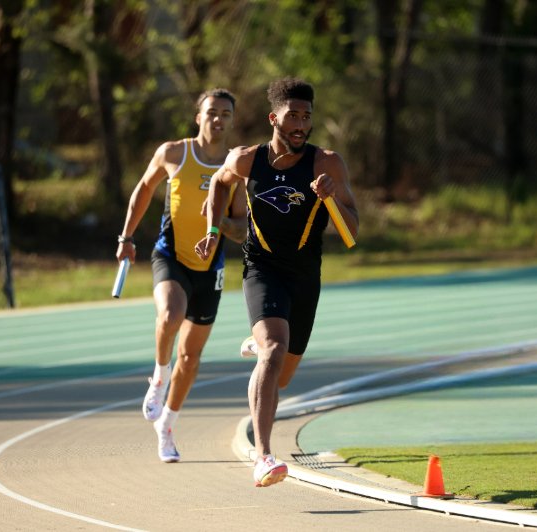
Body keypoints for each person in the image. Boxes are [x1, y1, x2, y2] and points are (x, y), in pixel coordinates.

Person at [195, 77, 359, 487]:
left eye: (307, 116)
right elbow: (218, 183)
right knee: (273, 351)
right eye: (293, 116)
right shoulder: (247, 159)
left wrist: (332, 197)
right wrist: (214, 232)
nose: (301, 124)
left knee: (282, 375)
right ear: (274, 118)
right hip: (261, 268)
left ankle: (262, 340)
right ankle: (264, 457)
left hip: (305, 276)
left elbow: (353, 233)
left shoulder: (327, 164)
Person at [116, 88, 246, 463]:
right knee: (170, 315)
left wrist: (216, 218)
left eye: (225, 113)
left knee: (191, 357)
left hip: (210, 269)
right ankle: (158, 376)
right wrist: (126, 237)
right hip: (170, 256)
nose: (218, 119)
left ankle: (167, 427)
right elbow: (143, 189)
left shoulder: (236, 167)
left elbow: (240, 229)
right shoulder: (174, 152)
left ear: (233, 120)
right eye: (211, 113)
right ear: (198, 117)